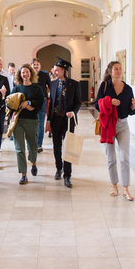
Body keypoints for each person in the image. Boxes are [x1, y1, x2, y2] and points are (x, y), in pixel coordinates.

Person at [94, 61, 135, 201]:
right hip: (108, 125)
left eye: (120, 69)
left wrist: (133, 107)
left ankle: (125, 188)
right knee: (111, 158)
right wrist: (109, 102)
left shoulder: (128, 89)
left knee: (125, 157)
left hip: (123, 124)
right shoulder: (105, 86)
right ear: (110, 71)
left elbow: (132, 111)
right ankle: (114, 186)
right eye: (116, 69)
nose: (119, 71)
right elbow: (97, 104)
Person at [46, 58, 81, 188]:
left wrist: (73, 112)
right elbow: (51, 104)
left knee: (69, 148)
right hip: (56, 119)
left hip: (68, 121)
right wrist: (49, 121)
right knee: (56, 147)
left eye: (57, 70)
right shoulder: (53, 84)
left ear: (63, 70)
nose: (55, 72)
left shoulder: (74, 84)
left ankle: (67, 175)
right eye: (54, 70)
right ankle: (58, 169)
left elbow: (78, 102)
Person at [10, 64, 44, 184]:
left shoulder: (37, 89)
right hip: (18, 121)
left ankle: (33, 163)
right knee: (19, 148)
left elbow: (40, 103)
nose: (25, 74)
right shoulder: (16, 89)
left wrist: (29, 102)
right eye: (23, 72)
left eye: (27, 72)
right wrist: (19, 105)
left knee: (32, 146)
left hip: (32, 120)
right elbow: (10, 103)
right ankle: (24, 175)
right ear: (20, 75)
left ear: (31, 73)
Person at [31, 58, 51, 152]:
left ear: (40, 65)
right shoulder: (28, 74)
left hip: (42, 101)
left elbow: (50, 87)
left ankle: (39, 144)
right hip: (30, 101)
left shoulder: (45, 75)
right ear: (31, 66)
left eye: (37, 64)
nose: (35, 66)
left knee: (40, 123)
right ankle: (32, 143)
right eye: (34, 64)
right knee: (31, 123)